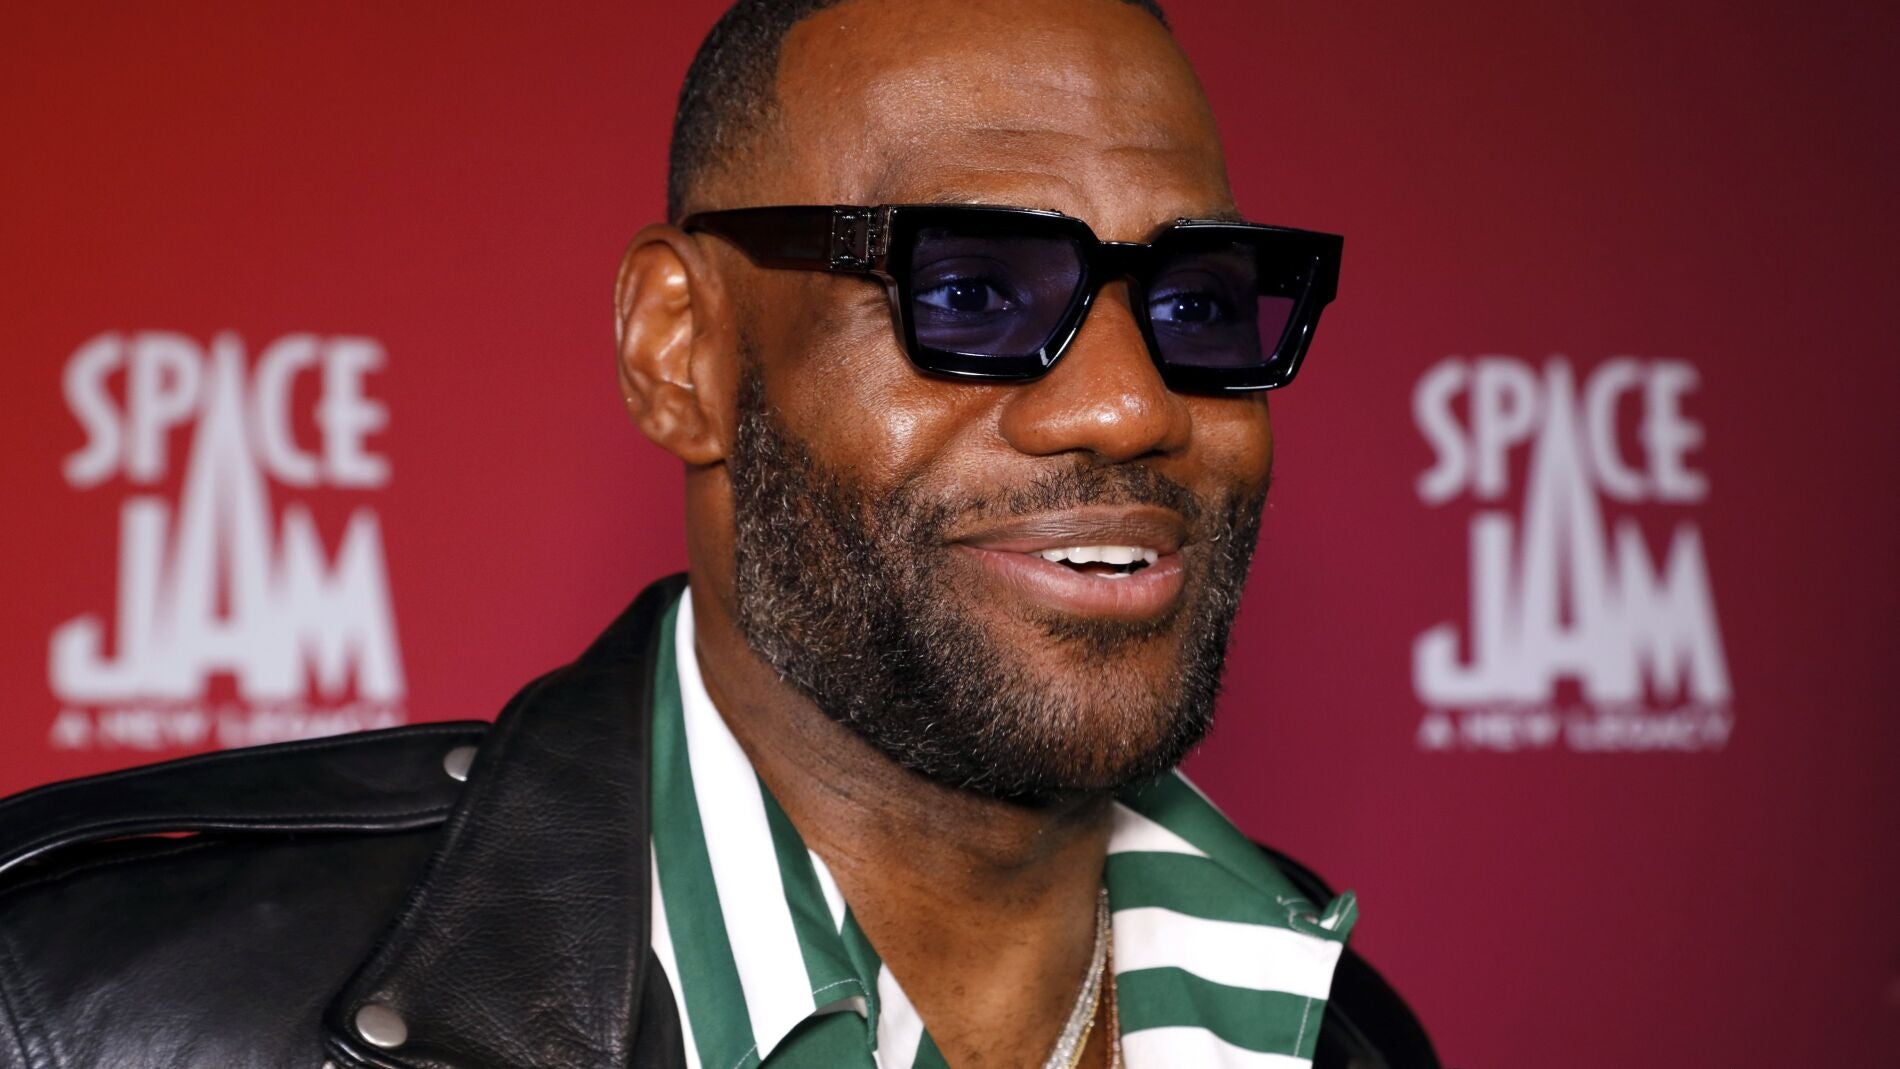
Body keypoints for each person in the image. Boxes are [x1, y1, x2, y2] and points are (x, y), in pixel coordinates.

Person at [0, 1, 1436, 1067]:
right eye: (972, 291)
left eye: (1197, 303)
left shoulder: (1342, 1035)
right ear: (681, 351)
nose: (1129, 406)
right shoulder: (85, 1009)